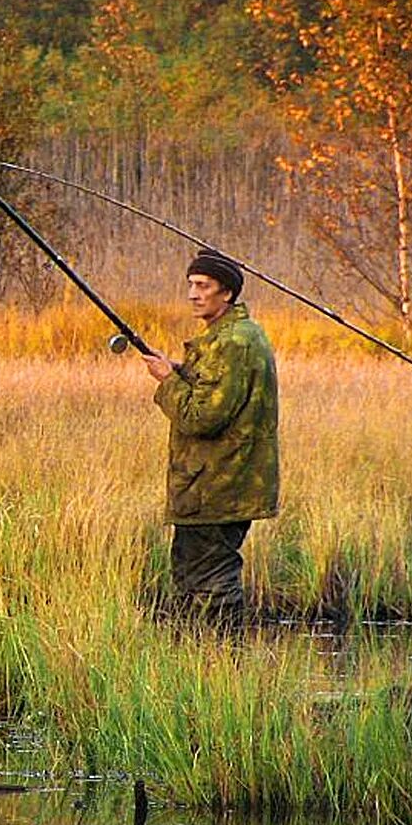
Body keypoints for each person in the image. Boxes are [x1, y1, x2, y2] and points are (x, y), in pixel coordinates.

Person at [143, 248, 279, 630]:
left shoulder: (233, 342)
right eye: (190, 285)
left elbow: (202, 418)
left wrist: (167, 382)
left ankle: (221, 664)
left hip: (219, 486)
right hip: (214, 484)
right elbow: (218, 391)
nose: (193, 293)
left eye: (203, 286)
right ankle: (198, 667)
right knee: (192, 577)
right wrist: (180, 370)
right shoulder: (231, 337)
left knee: (212, 584)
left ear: (228, 294)